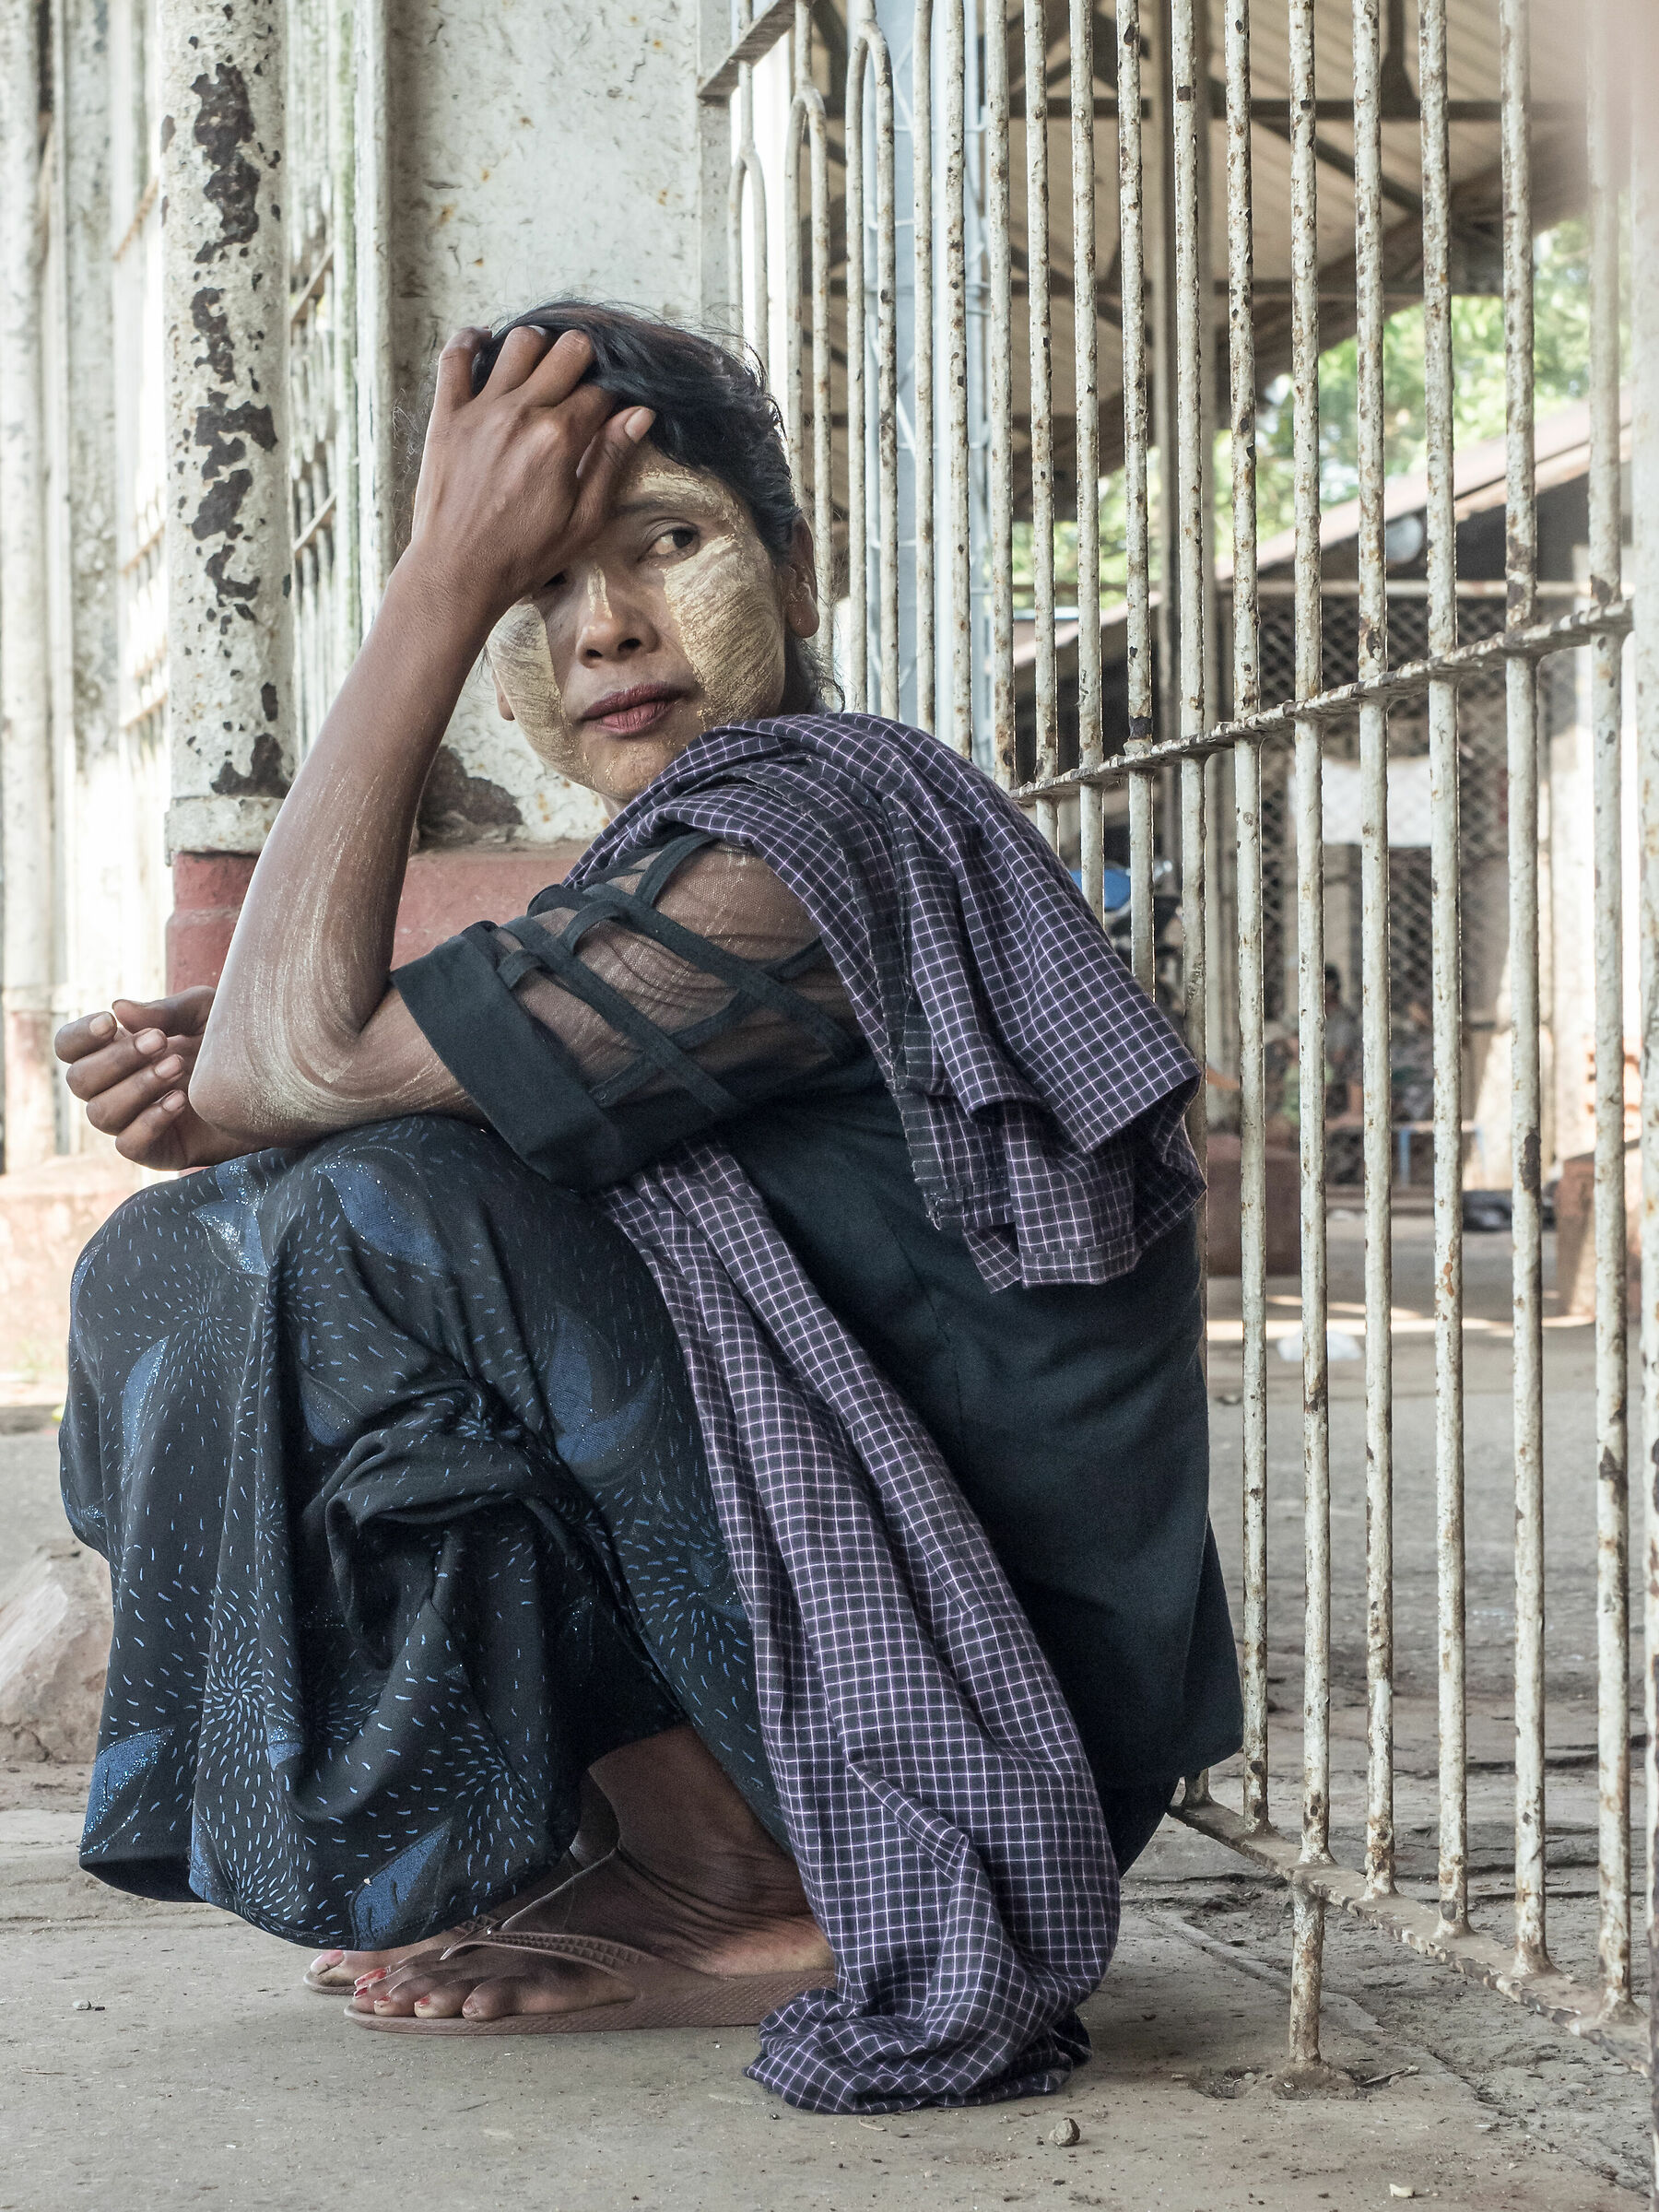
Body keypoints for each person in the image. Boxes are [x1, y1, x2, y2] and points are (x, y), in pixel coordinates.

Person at [53, 305, 1241, 2115]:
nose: (601, 626)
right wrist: (254, 1094)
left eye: (665, 545)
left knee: (369, 1212)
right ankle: (665, 1830)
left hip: (983, 1711)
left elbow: (304, 1065)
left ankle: (750, 1872)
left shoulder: (818, 836)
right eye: (539, 595)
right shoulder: (673, 866)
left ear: (794, 559)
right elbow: (301, 1077)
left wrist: (433, 587)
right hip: (870, 1630)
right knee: (193, 1257)